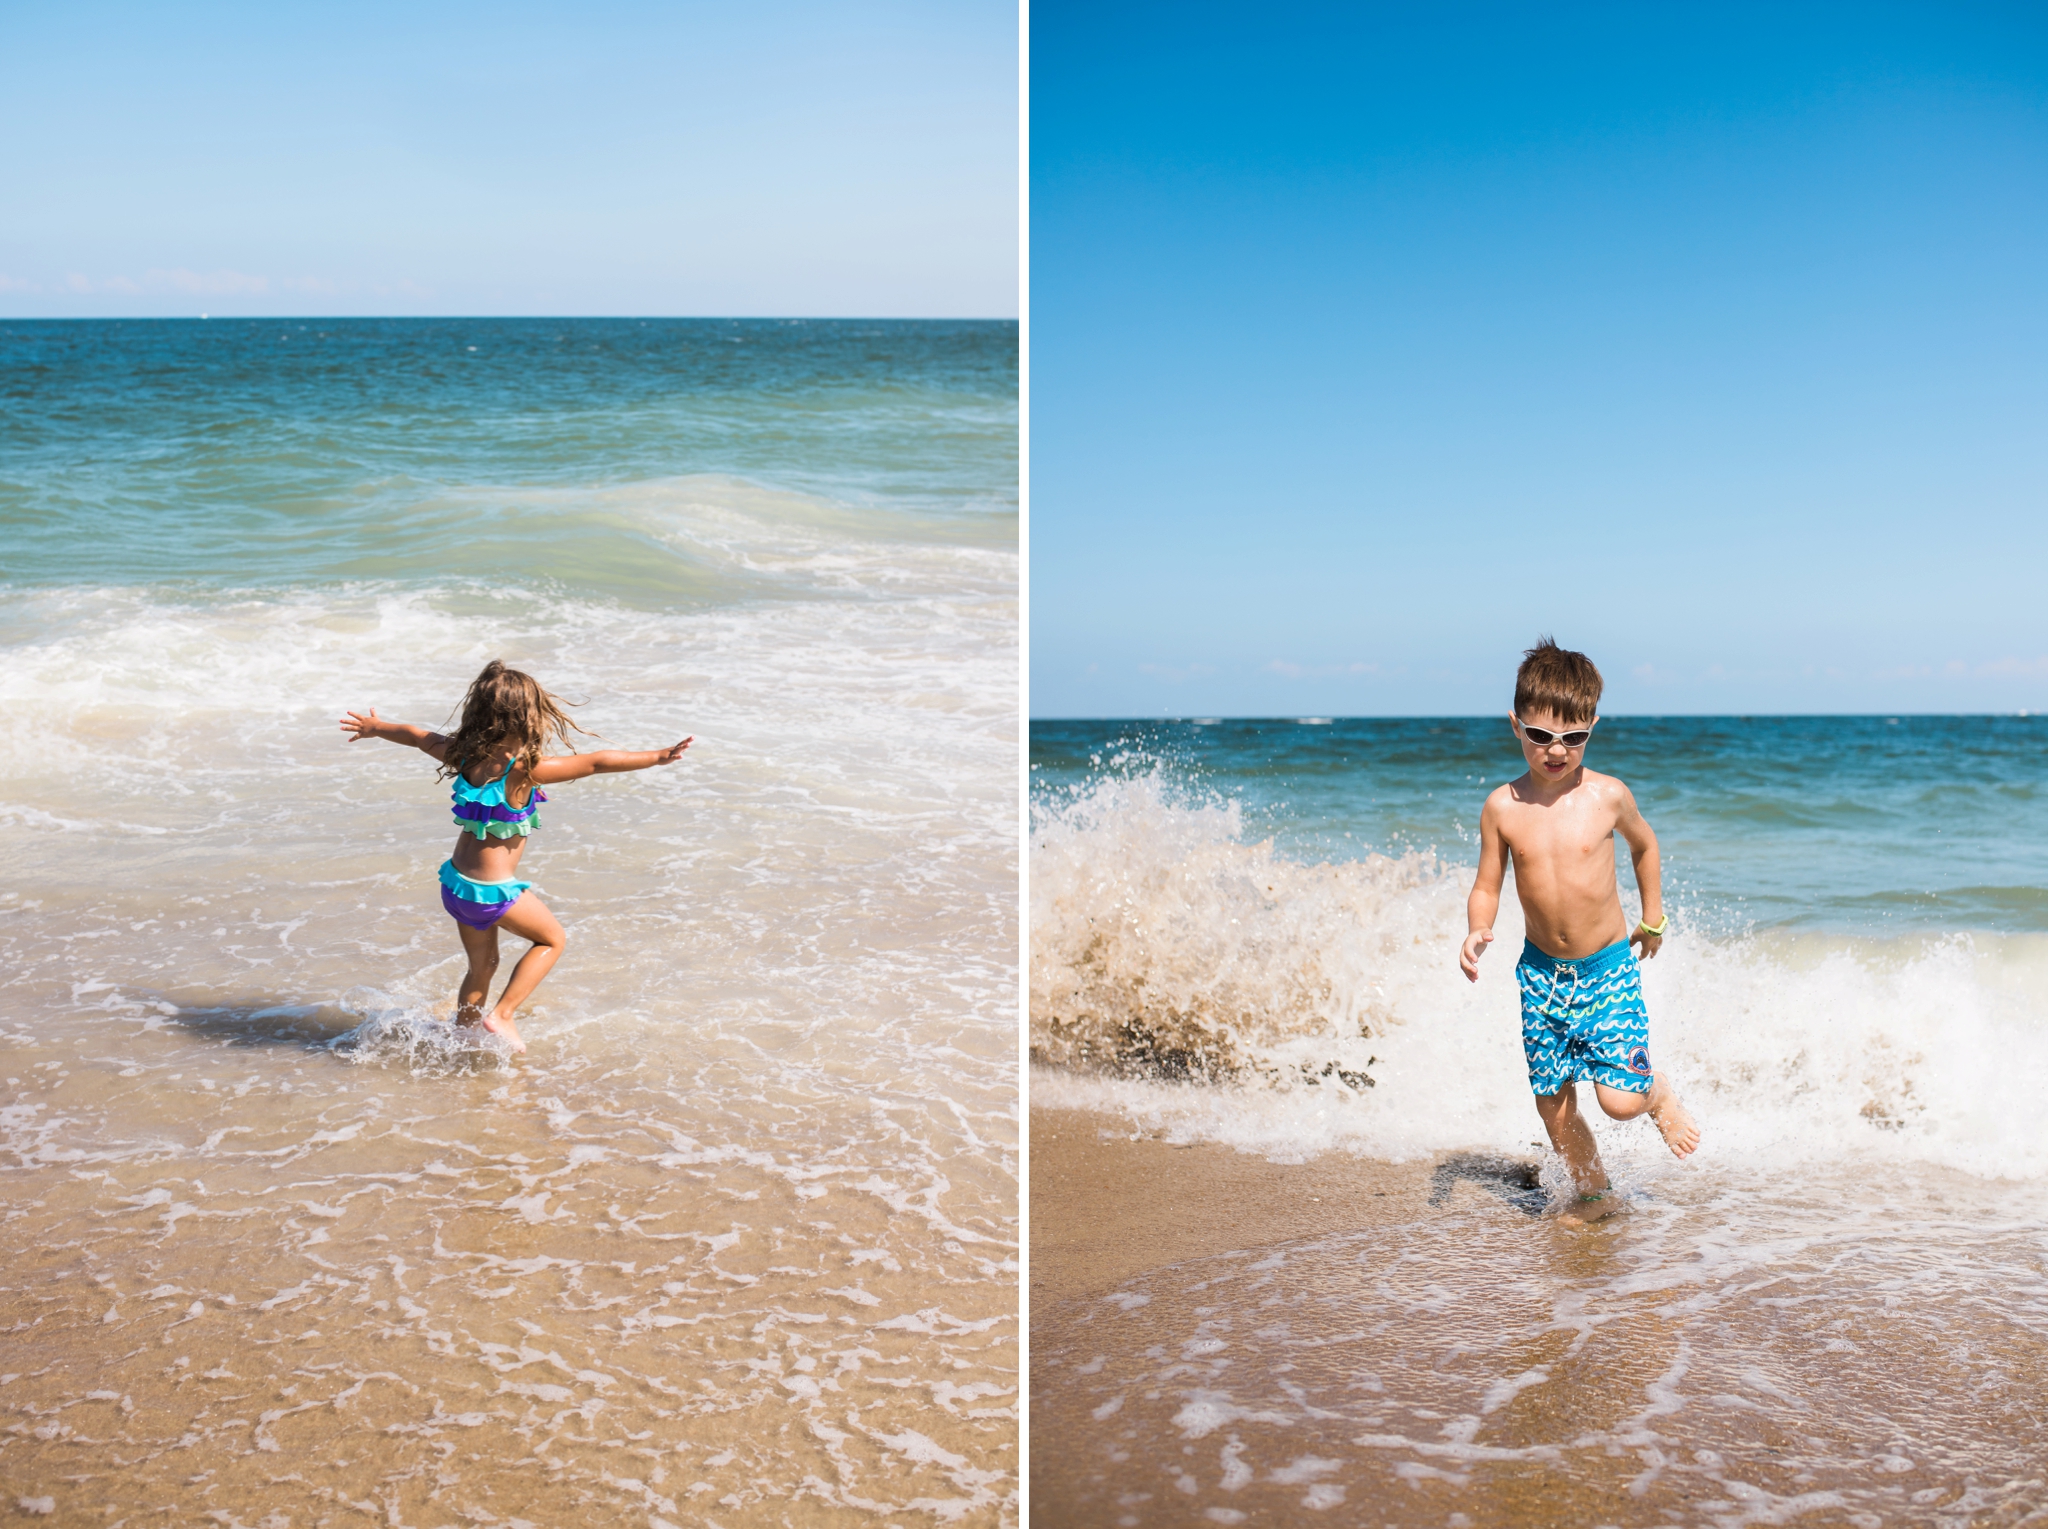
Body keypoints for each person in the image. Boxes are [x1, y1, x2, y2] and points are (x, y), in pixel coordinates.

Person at [1459, 638, 1699, 1222]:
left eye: (1573, 737)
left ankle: (1657, 1092)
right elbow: (1488, 882)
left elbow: (1646, 847)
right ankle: (1595, 1194)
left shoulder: (1608, 796)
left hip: (1608, 965)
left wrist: (1653, 917)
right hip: (1541, 976)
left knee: (1619, 1102)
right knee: (1553, 1105)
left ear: (1592, 725)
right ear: (1515, 725)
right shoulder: (1503, 807)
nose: (1557, 750)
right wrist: (1477, 929)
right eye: (1541, 736)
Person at [339, 660, 692, 1053]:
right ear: (530, 717)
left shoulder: (462, 755)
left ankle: (464, 1034)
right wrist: (657, 756)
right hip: (493, 892)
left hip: (457, 886)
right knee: (552, 940)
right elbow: (596, 762)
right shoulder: (525, 771)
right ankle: (502, 1014)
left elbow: (418, 735)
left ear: (479, 714)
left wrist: (376, 728)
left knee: (482, 966)